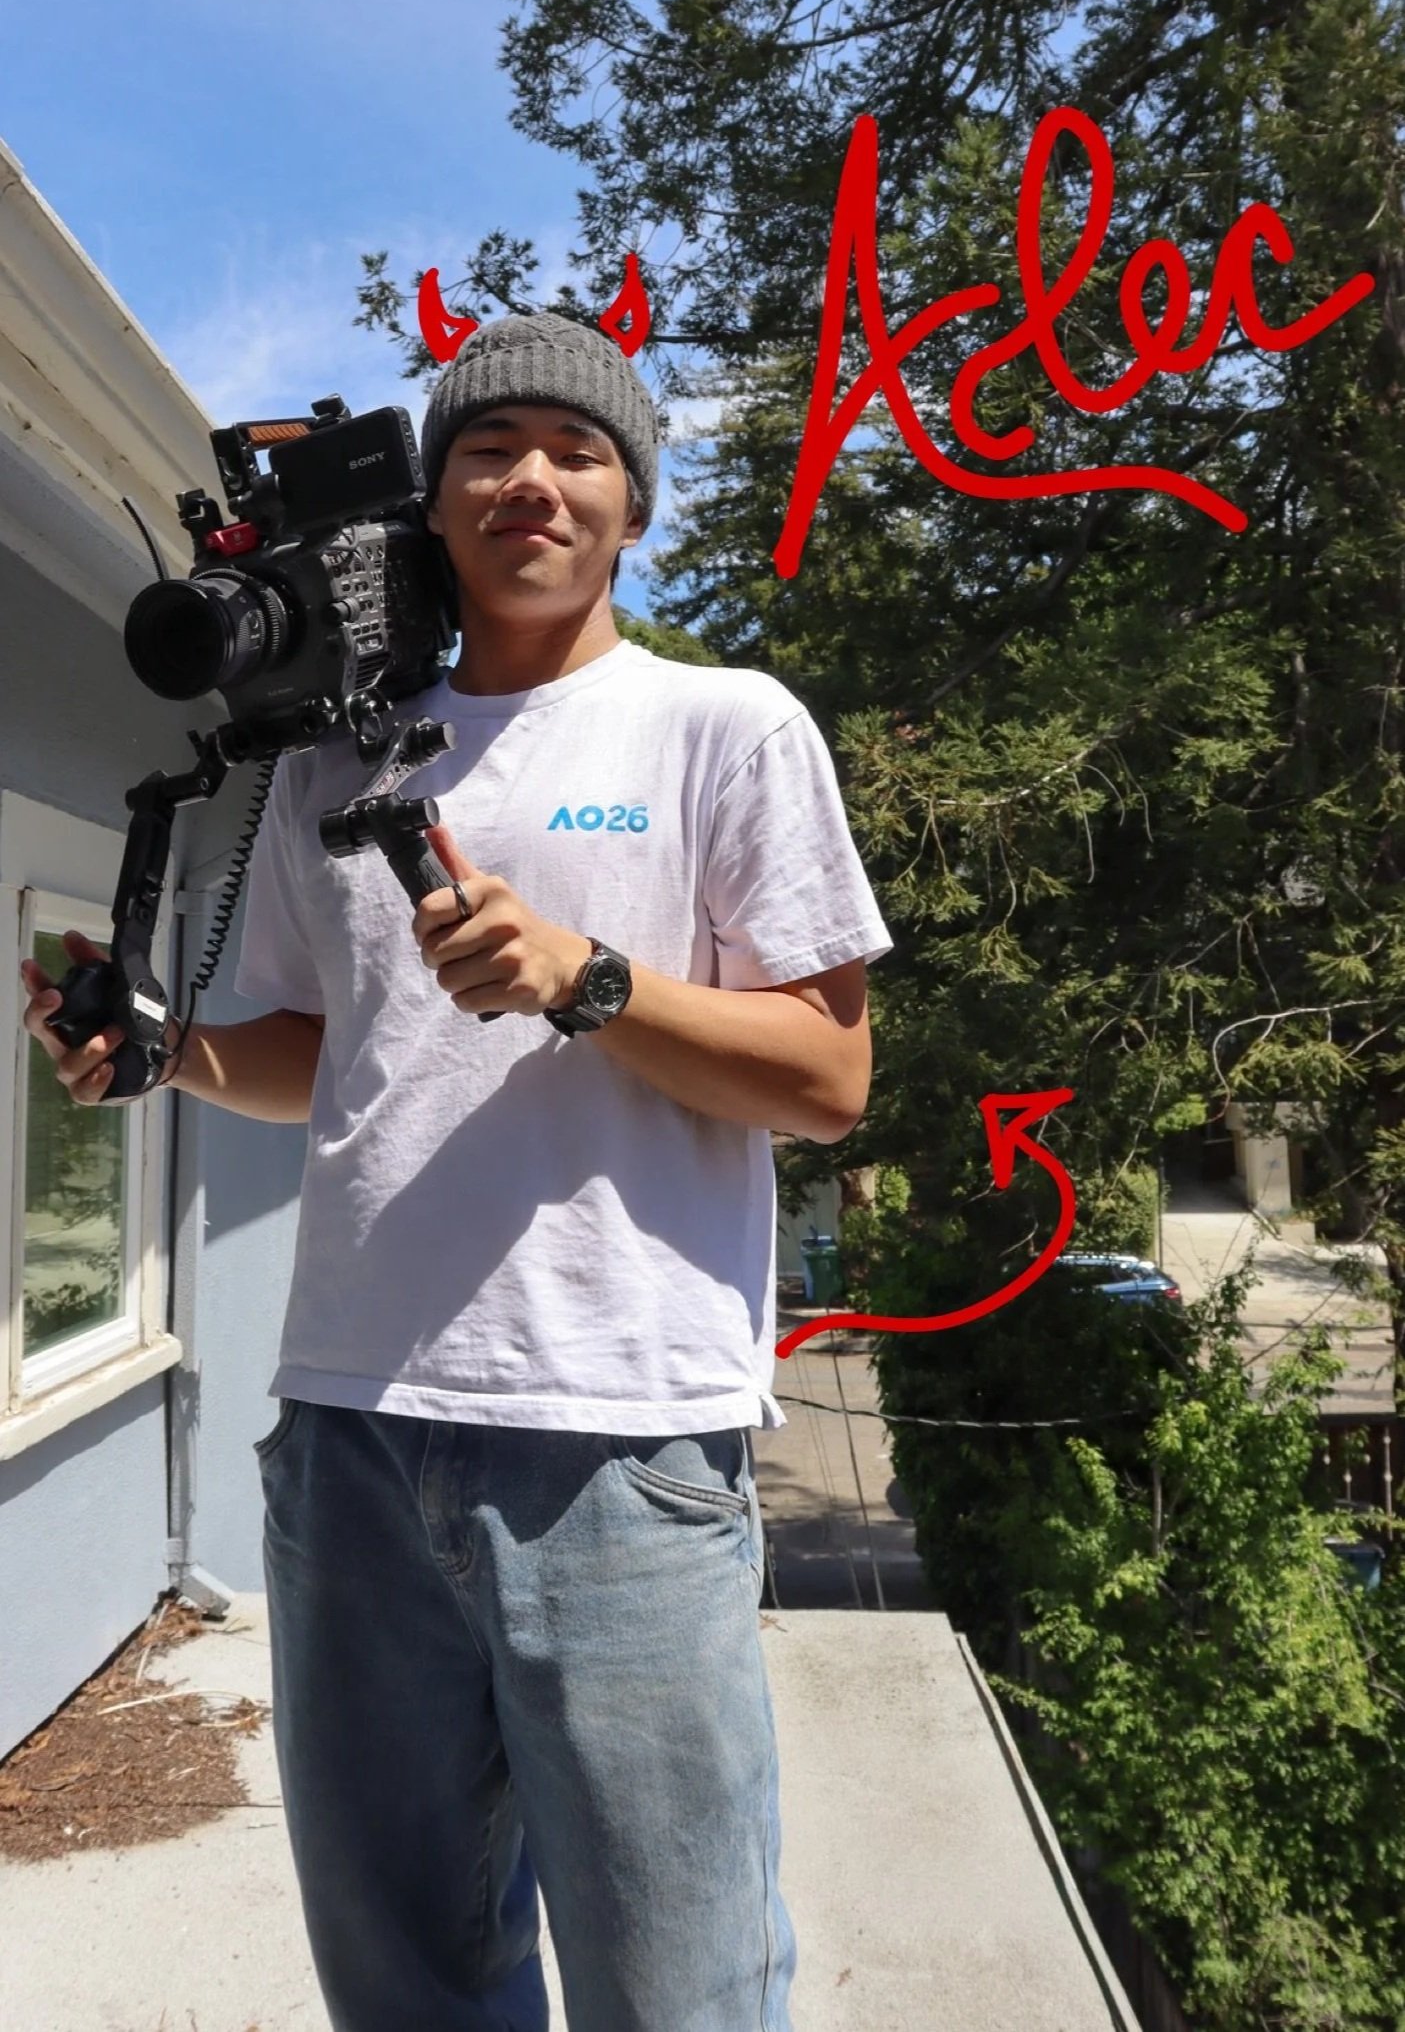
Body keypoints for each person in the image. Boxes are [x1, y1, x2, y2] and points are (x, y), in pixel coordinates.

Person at [21, 311, 893, 2032]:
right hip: (344, 1434)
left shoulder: (726, 728)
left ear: (629, 505)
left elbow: (830, 1077)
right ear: (434, 506)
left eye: (575, 454)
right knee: (409, 1980)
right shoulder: (338, 755)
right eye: (488, 452)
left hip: (620, 1444)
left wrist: (590, 980)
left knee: (681, 1989)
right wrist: (163, 1048)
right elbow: (317, 1051)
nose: (530, 482)